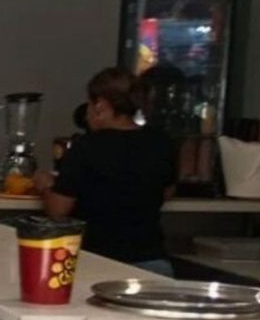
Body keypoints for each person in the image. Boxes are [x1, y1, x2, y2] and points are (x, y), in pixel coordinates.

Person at [39, 67, 175, 276]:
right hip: (153, 262)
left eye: (89, 104)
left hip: (98, 262)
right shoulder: (161, 143)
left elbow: (58, 211)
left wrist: (46, 186)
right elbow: (167, 192)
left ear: (100, 105)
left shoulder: (87, 147)